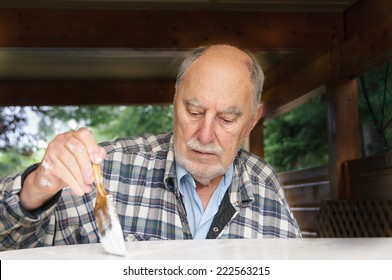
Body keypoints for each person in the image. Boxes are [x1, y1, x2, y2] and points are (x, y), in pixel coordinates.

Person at [0, 44, 301, 250]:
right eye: (194, 112)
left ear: (251, 120)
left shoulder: (263, 183)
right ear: (174, 102)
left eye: (227, 118)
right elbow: (10, 242)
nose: (206, 134)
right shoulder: (107, 170)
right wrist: (36, 188)